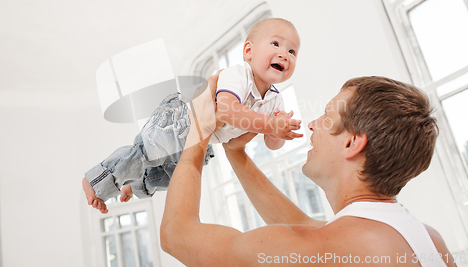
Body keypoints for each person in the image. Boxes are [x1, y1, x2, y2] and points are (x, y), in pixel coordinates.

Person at [160, 74, 456, 267]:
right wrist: (236, 153)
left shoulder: (323, 249)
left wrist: (198, 133)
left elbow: (176, 235)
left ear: (352, 142)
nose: (313, 124)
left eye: (326, 115)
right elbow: (302, 224)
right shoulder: (430, 242)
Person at [82, 18, 303, 213]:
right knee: (144, 153)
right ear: (248, 51)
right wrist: (270, 125)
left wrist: (280, 132)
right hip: (180, 119)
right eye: (276, 44)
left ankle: (135, 183)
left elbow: (271, 144)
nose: (284, 54)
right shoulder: (239, 75)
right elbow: (228, 110)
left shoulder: (276, 101)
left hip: (204, 139)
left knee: (171, 176)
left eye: (292, 51)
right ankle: (95, 181)